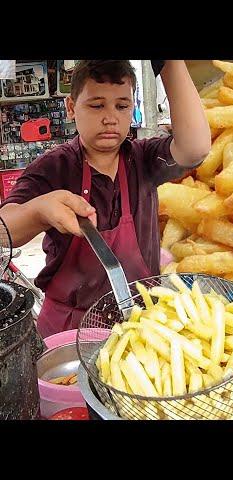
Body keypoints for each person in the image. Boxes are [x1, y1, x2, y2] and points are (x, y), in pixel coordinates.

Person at [0, 60, 211, 337]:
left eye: (122, 106)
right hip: (69, 329)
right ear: (72, 107)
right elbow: (4, 231)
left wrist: (169, 64)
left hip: (140, 323)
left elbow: (195, 148)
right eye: (97, 105)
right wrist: (39, 210)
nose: (110, 117)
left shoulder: (143, 159)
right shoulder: (54, 167)